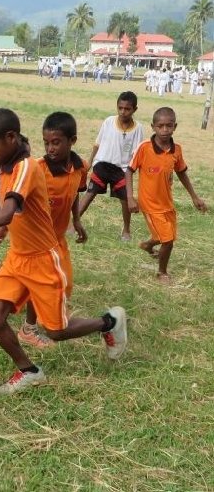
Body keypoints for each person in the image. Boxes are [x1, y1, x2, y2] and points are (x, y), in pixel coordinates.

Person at [0, 108, 128, 395]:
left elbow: (8, 210)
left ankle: (109, 322)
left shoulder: (26, 167)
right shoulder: (6, 166)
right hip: (17, 258)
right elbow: (14, 211)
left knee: (55, 331)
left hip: (43, 260)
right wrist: (3, 230)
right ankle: (29, 371)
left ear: (11, 138)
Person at [18, 112, 88, 349]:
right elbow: (16, 202)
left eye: (56, 142)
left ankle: (45, 317)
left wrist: (76, 220)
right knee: (42, 285)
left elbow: (75, 193)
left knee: (64, 286)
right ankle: (28, 329)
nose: (50, 148)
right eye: (46, 142)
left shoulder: (80, 167)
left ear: (72, 140)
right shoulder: (37, 169)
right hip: (38, 242)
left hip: (58, 239)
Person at [125, 107, 207, 283]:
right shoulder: (144, 148)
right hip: (149, 204)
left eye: (169, 126)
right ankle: (162, 272)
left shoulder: (176, 150)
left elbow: (181, 173)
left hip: (167, 203)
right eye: (160, 126)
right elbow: (129, 171)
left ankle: (147, 245)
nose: (164, 130)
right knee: (168, 240)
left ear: (175, 127)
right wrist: (130, 198)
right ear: (153, 127)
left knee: (168, 235)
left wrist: (194, 197)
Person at [78, 91, 144, 241]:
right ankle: (72, 223)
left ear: (134, 109)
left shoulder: (138, 128)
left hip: (122, 170)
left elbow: (137, 153)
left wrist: (135, 171)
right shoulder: (109, 121)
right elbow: (97, 143)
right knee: (90, 194)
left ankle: (126, 230)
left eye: (127, 109)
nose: (123, 112)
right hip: (102, 164)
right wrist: (90, 162)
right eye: (120, 108)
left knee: (125, 200)